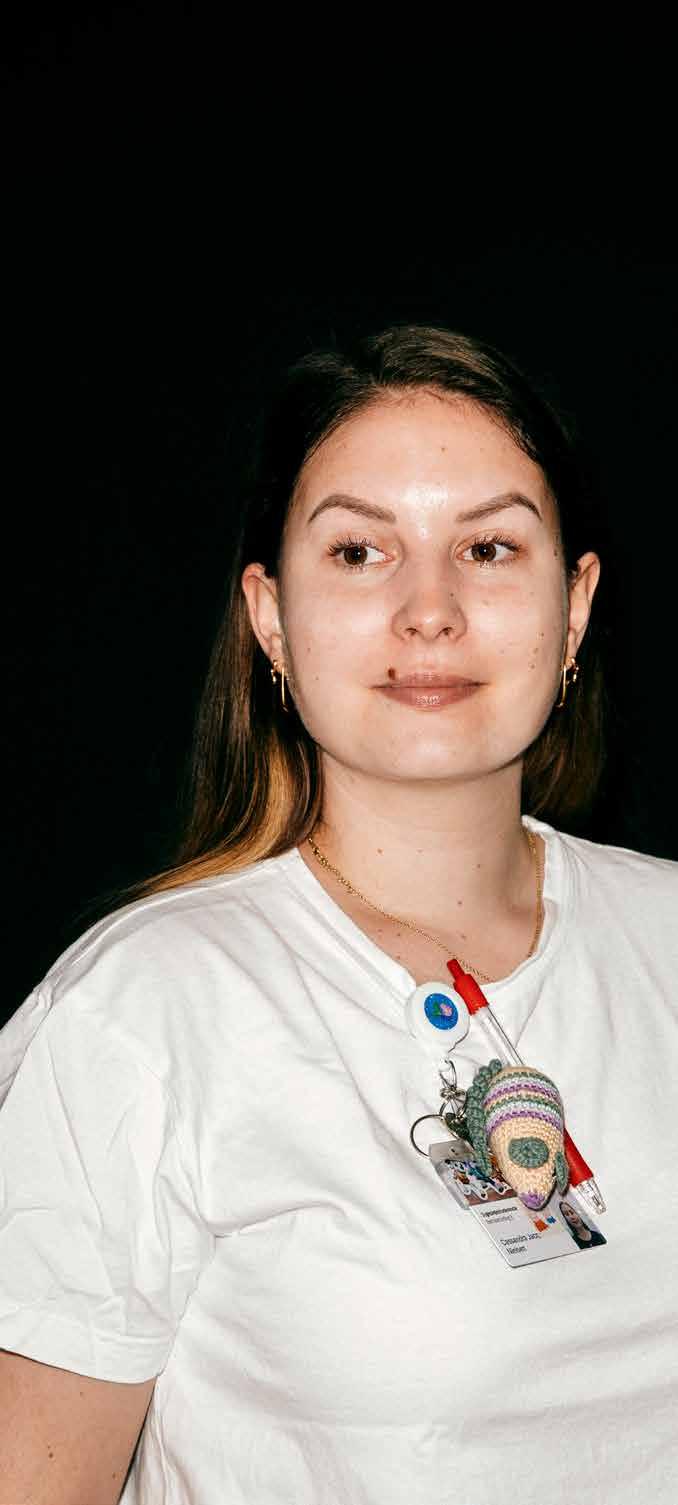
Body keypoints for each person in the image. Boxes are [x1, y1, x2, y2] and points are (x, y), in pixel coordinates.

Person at [1, 325, 677, 1505]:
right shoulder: (137, 1017)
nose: (430, 609)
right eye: (360, 551)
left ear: (574, 608)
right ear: (270, 618)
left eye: (489, 546)